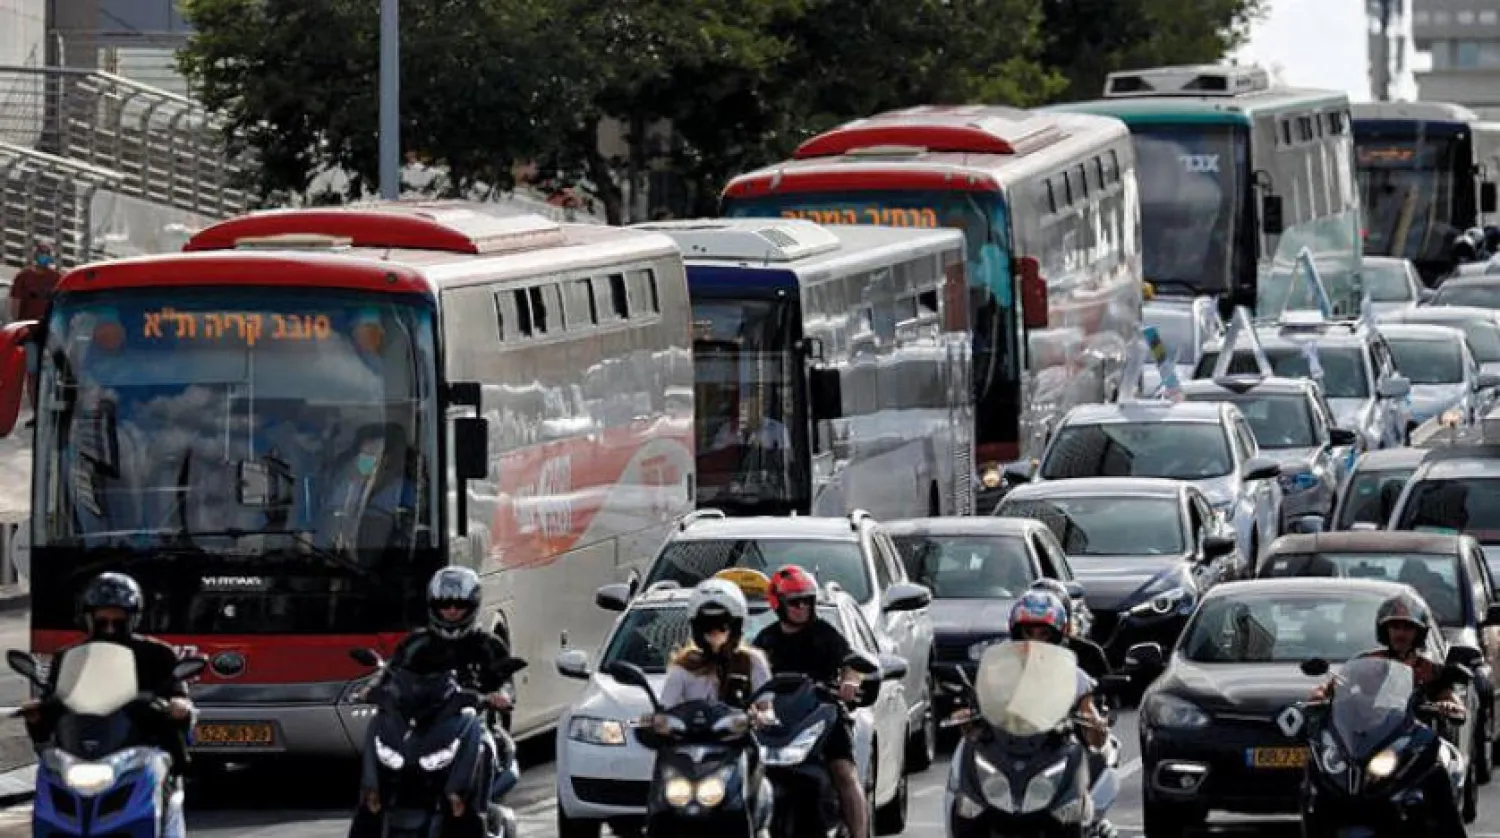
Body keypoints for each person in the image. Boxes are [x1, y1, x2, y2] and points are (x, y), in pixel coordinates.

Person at [1307, 592, 1466, 837]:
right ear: (1385, 630)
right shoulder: (1367, 662)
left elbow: (1450, 697)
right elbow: (1336, 686)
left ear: (1418, 633)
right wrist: (1320, 697)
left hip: (1414, 745)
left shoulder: (1430, 670)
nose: (1400, 633)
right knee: (1318, 772)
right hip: (1370, 741)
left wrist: (1450, 706)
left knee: (1438, 775)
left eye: (1407, 627)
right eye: (1394, 626)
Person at [366, 567, 518, 816]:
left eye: (459, 604)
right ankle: (373, 799)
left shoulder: (488, 644)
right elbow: (390, 675)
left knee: (487, 746)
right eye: (444, 604)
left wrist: (500, 695)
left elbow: (505, 681)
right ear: (432, 605)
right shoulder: (415, 644)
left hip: (471, 722)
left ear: (472, 605)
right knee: (378, 730)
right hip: (419, 724)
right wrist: (372, 689)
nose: (451, 610)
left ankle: (475, 812)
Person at [20, 573, 195, 782]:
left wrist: (178, 704)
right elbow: (54, 700)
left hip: (142, 745)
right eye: (102, 622)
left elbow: (177, 689)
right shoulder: (69, 656)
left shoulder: (158, 653)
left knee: (169, 756)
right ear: (90, 620)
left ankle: (170, 789)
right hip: (83, 748)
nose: (110, 629)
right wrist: (37, 712)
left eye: (118, 622)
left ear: (133, 619)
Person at [753, 565, 868, 838]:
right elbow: (748, 677)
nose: (803, 607)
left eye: (808, 600)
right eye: (795, 601)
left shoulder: (824, 633)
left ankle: (859, 833)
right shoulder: (765, 641)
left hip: (822, 715)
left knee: (844, 773)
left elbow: (851, 662)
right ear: (778, 603)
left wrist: (850, 682)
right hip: (777, 723)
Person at [659, 578, 772, 711]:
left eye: (721, 624)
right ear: (697, 628)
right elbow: (665, 709)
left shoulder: (752, 661)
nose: (714, 631)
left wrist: (758, 717)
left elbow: (767, 709)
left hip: (739, 731)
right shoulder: (684, 666)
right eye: (706, 625)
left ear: (736, 626)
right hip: (696, 731)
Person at [1029, 578, 1111, 680]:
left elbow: (1103, 692)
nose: (1036, 640)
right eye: (1028, 632)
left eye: (1045, 633)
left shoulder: (1088, 654)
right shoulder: (1012, 655)